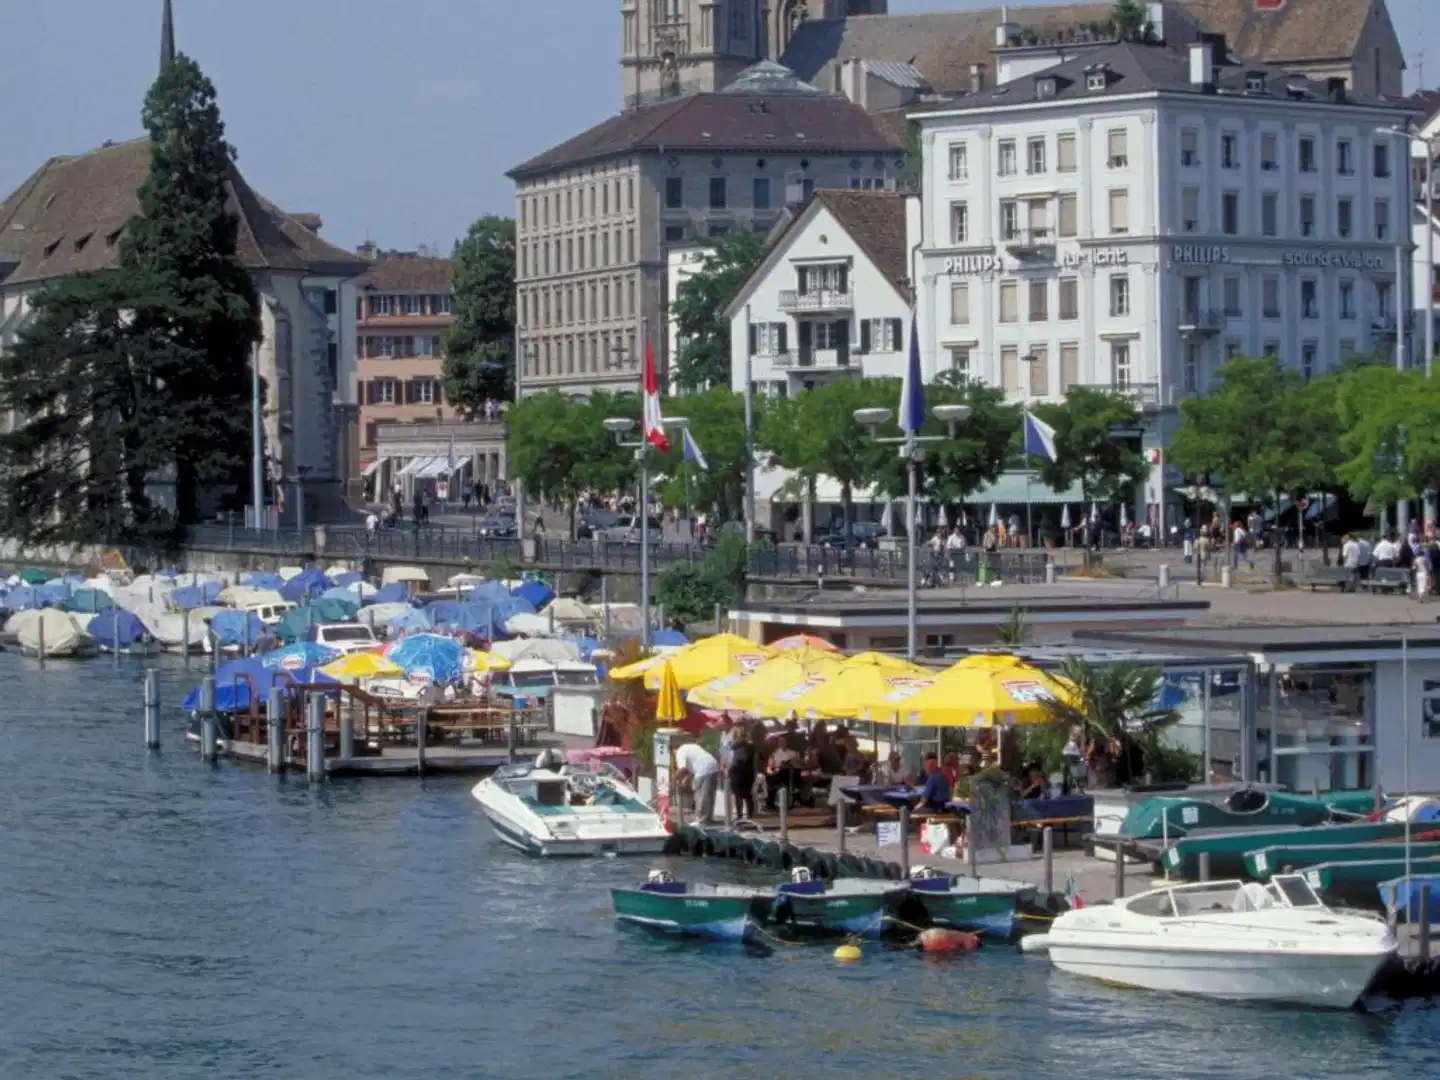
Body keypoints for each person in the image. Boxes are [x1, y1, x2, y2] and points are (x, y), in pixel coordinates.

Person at [674, 740, 720, 825]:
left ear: (673, 749)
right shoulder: (690, 746)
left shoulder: (679, 751)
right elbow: (693, 768)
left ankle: (701, 820)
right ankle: (708, 818)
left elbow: (682, 769)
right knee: (709, 795)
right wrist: (686, 780)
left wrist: (673, 779)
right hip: (713, 765)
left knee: (700, 795)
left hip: (704, 769)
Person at [726, 725, 757, 821]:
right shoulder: (751, 747)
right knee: (748, 794)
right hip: (749, 773)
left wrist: (729, 769)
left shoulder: (736, 747)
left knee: (738, 795)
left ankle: (740, 816)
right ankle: (750, 816)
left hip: (737, 773)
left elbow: (737, 760)